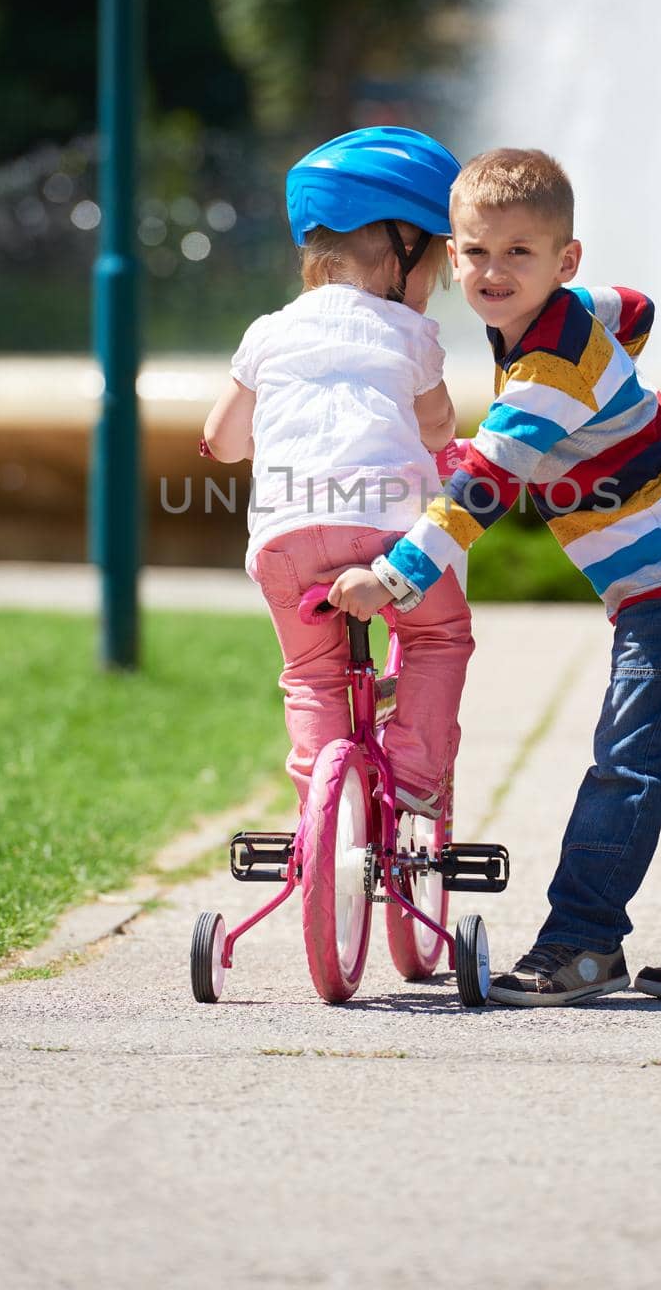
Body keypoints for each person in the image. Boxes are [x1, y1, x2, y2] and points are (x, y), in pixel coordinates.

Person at [328, 147, 661, 1005]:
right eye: (474, 252)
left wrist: (393, 578)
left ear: (563, 259)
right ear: (451, 249)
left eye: (520, 253)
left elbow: (487, 485)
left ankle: (582, 945)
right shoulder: (572, 312)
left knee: (630, 765)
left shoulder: (547, 372)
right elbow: (638, 308)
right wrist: (613, 360)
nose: (493, 272)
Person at [203, 126, 474, 817]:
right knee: (437, 636)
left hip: (284, 539)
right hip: (385, 528)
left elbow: (224, 439)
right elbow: (438, 427)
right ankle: (413, 774)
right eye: (434, 268)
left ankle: (328, 819)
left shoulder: (268, 331)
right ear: (398, 252)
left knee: (312, 676)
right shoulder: (412, 334)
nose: (433, 288)